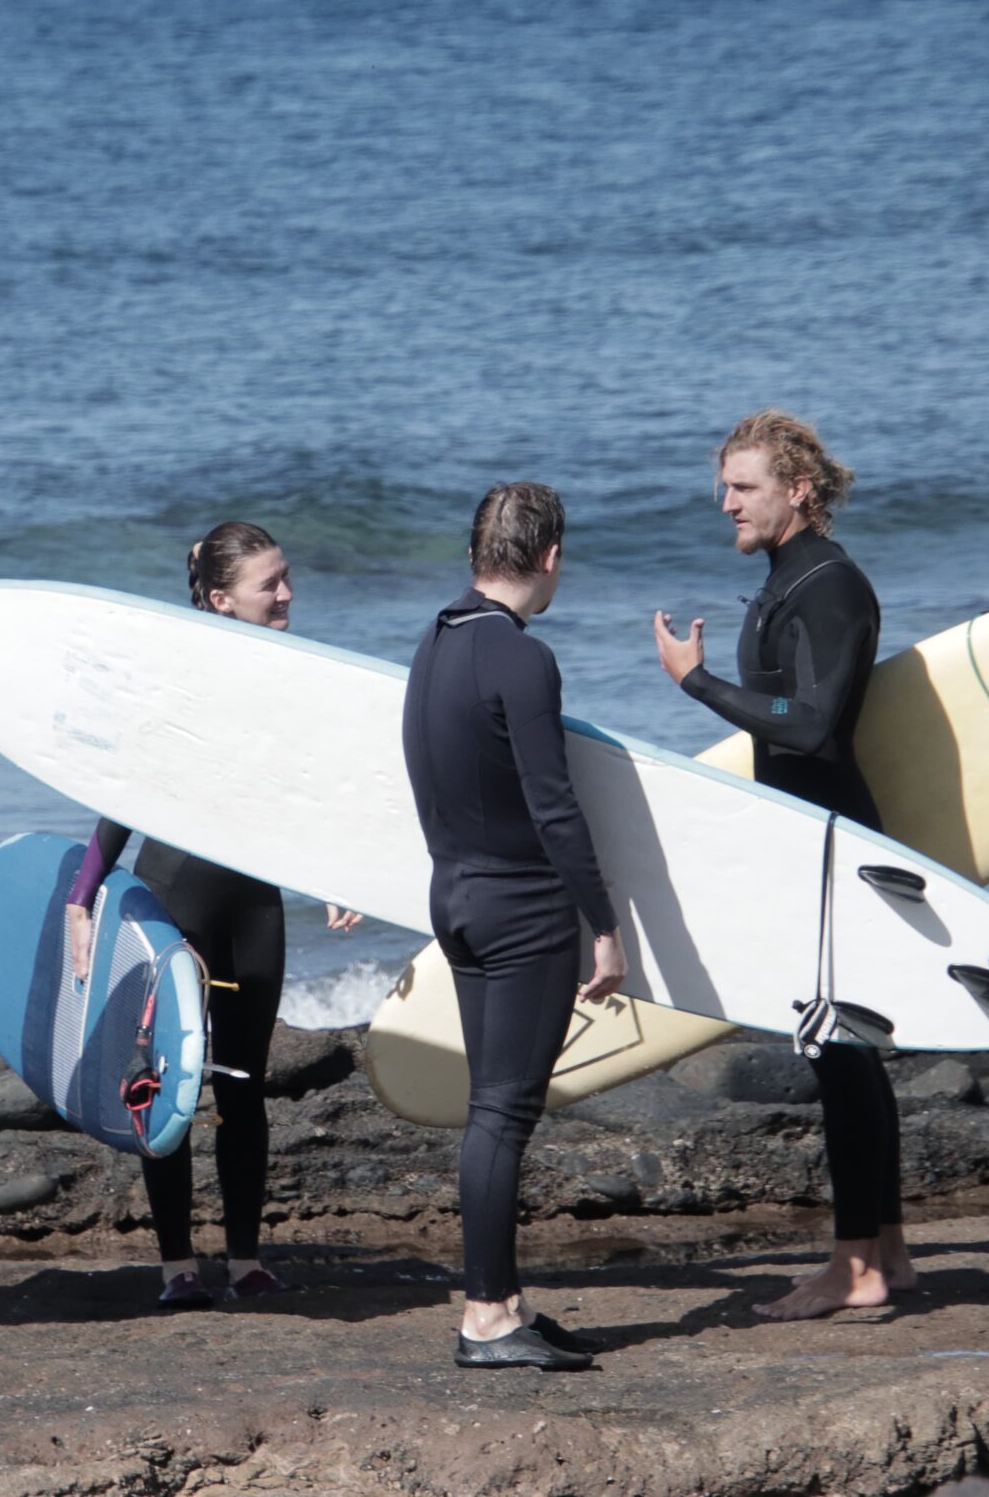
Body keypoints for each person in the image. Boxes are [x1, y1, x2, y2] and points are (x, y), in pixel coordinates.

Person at [62, 522, 362, 1309]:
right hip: (178, 899)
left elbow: (308, 784)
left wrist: (337, 870)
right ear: (223, 600)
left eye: (287, 576)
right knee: (166, 1086)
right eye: (272, 584)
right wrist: (81, 895)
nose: (289, 593)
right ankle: (176, 1265)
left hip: (253, 905)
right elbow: (121, 794)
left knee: (242, 1087)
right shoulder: (176, 687)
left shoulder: (286, 677)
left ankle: (246, 1256)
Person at [651, 410, 909, 1321]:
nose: (726, 503)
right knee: (847, 1056)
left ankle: (854, 1269)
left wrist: (694, 682)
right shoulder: (784, 582)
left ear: (797, 491)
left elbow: (810, 725)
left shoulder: (830, 587)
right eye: (725, 486)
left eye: (744, 487)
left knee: (840, 1054)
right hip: (808, 838)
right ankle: (884, 1251)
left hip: (835, 843)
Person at [402, 481, 626, 1372]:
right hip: (522, 908)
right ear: (551, 557)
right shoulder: (521, 657)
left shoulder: (436, 640)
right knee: (503, 1110)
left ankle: (504, 1301)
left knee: (490, 1108)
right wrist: (602, 924)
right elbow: (556, 807)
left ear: (474, 554)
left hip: (453, 894)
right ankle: (486, 1317)